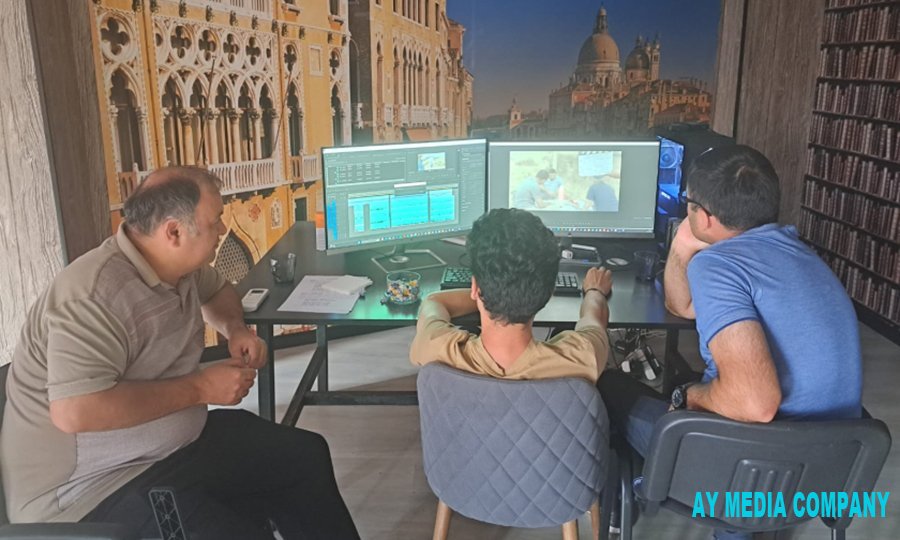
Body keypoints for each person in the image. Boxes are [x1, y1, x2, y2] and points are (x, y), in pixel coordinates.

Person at [0, 167, 360, 539]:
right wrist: (200, 388)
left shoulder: (176, 266)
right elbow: (75, 411)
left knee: (302, 455)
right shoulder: (92, 296)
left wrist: (234, 329)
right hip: (96, 492)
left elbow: (217, 290)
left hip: (173, 449)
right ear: (173, 232)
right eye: (215, 221)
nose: (223, 229)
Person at [598, 145, 862, 540]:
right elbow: (683, 306)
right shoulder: (804, 256)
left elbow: (755, 405)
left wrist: (688, 396)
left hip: (753, 469)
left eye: (687, 203)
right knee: (691, 381)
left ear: (704, 216)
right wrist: (684, 243)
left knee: (607, 384)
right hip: (832, 472)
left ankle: (626, 506)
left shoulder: (718, 264)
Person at [410, 208, 612, 386]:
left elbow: (434, 301)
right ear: (549, 292)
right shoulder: (584, 356)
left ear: (475, 287)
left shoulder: (434, 347)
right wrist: (594, 290)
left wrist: (494, 290)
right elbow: (594, 319)